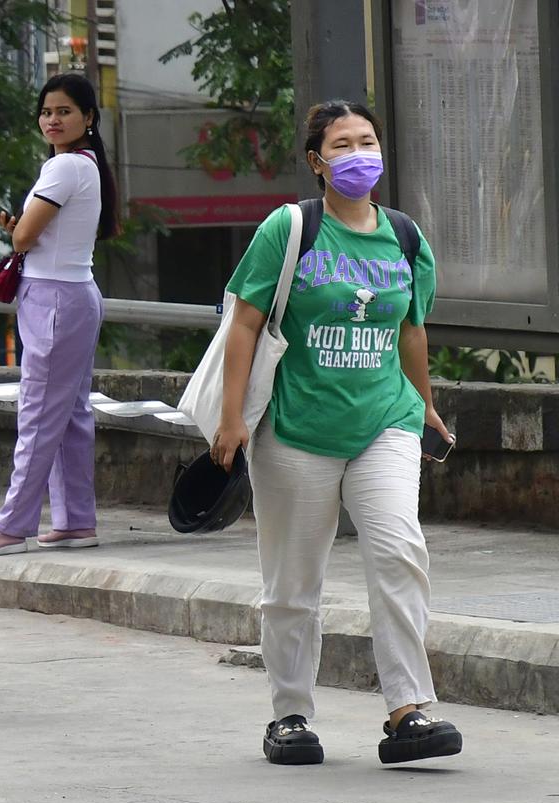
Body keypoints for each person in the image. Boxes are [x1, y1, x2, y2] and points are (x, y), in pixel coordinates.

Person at [210, 100, 462, 765]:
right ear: (317, 162)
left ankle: (409, 711)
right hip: (296, 428)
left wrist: (425, 404)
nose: (359, 154)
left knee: (399, 551)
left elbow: (411, 330)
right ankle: (290, 714)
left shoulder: (404, 236)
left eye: (368, 141)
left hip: (385, 420)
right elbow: (244, 324)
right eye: (343, 145)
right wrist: (232, 417)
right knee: (293, 582)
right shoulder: (290, 229)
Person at [0, 73, 118, 559]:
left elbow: (25, 239)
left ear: (88, 118)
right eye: (47, 112)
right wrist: (21, 227)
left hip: (54, 301)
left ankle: (11, 525)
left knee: (38, 414)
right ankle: (74, 522)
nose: (53, 119)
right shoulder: (85, 166)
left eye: (64, 111)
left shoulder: (63, 167)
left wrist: (17, 230)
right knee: (69, 414)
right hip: (73, 296)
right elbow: (37, 232)